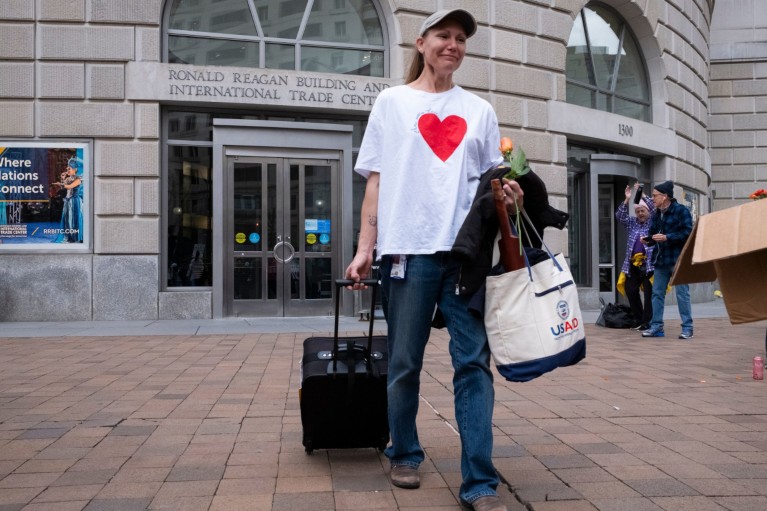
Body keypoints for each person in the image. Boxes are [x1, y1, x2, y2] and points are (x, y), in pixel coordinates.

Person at [344, 9, 518, 511]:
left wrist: (510, 194)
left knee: (474, 366)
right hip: (407, 253)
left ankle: (480, 483)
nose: (454, 44)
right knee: (403, 364)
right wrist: (364, 248)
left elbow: (493, 183)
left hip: (464, 258)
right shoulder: (392, 103)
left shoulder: (479, 110)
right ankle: (405, 450)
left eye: (461, 38)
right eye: (444, 35)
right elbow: (375, 181)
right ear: (421, 43)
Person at [641, 180, 694, 339]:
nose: (652, 199)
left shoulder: (681, 211)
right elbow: (653, 233)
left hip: (678, 259)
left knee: (682, 294)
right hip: (661, 260)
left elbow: (688, 232)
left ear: (665, 197)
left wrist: (667, 237)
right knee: (656, 294)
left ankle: (687, 327)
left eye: (655, 195)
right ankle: (656, 327)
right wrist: (648, 239)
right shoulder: (657, 214)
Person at [615, 183, 655, 330]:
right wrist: (627, 199)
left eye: (642, 210)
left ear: (648, 211)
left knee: (649, 294)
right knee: (631, 290)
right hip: (632, 264)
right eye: (638, 211)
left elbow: (655, 208)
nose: (640, 214)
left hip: (648, 263)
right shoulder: (632, 223)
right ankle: (639, 320)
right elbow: (619, 215)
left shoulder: (653, 222)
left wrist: (642, 194)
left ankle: (647, 322)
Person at [56, 157, 83, 243]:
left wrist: (62, 184)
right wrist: (63, 178)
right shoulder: (68, 179)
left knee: (74, 219)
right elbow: (63, 187)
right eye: (67, 168)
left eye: (69, 168)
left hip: (74, 201)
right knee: (67, 219)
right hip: (68, 201)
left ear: (75, 169)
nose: (68, 170)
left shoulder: (78, 179)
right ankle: (68, 237)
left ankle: (74, 238)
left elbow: (69, 186)